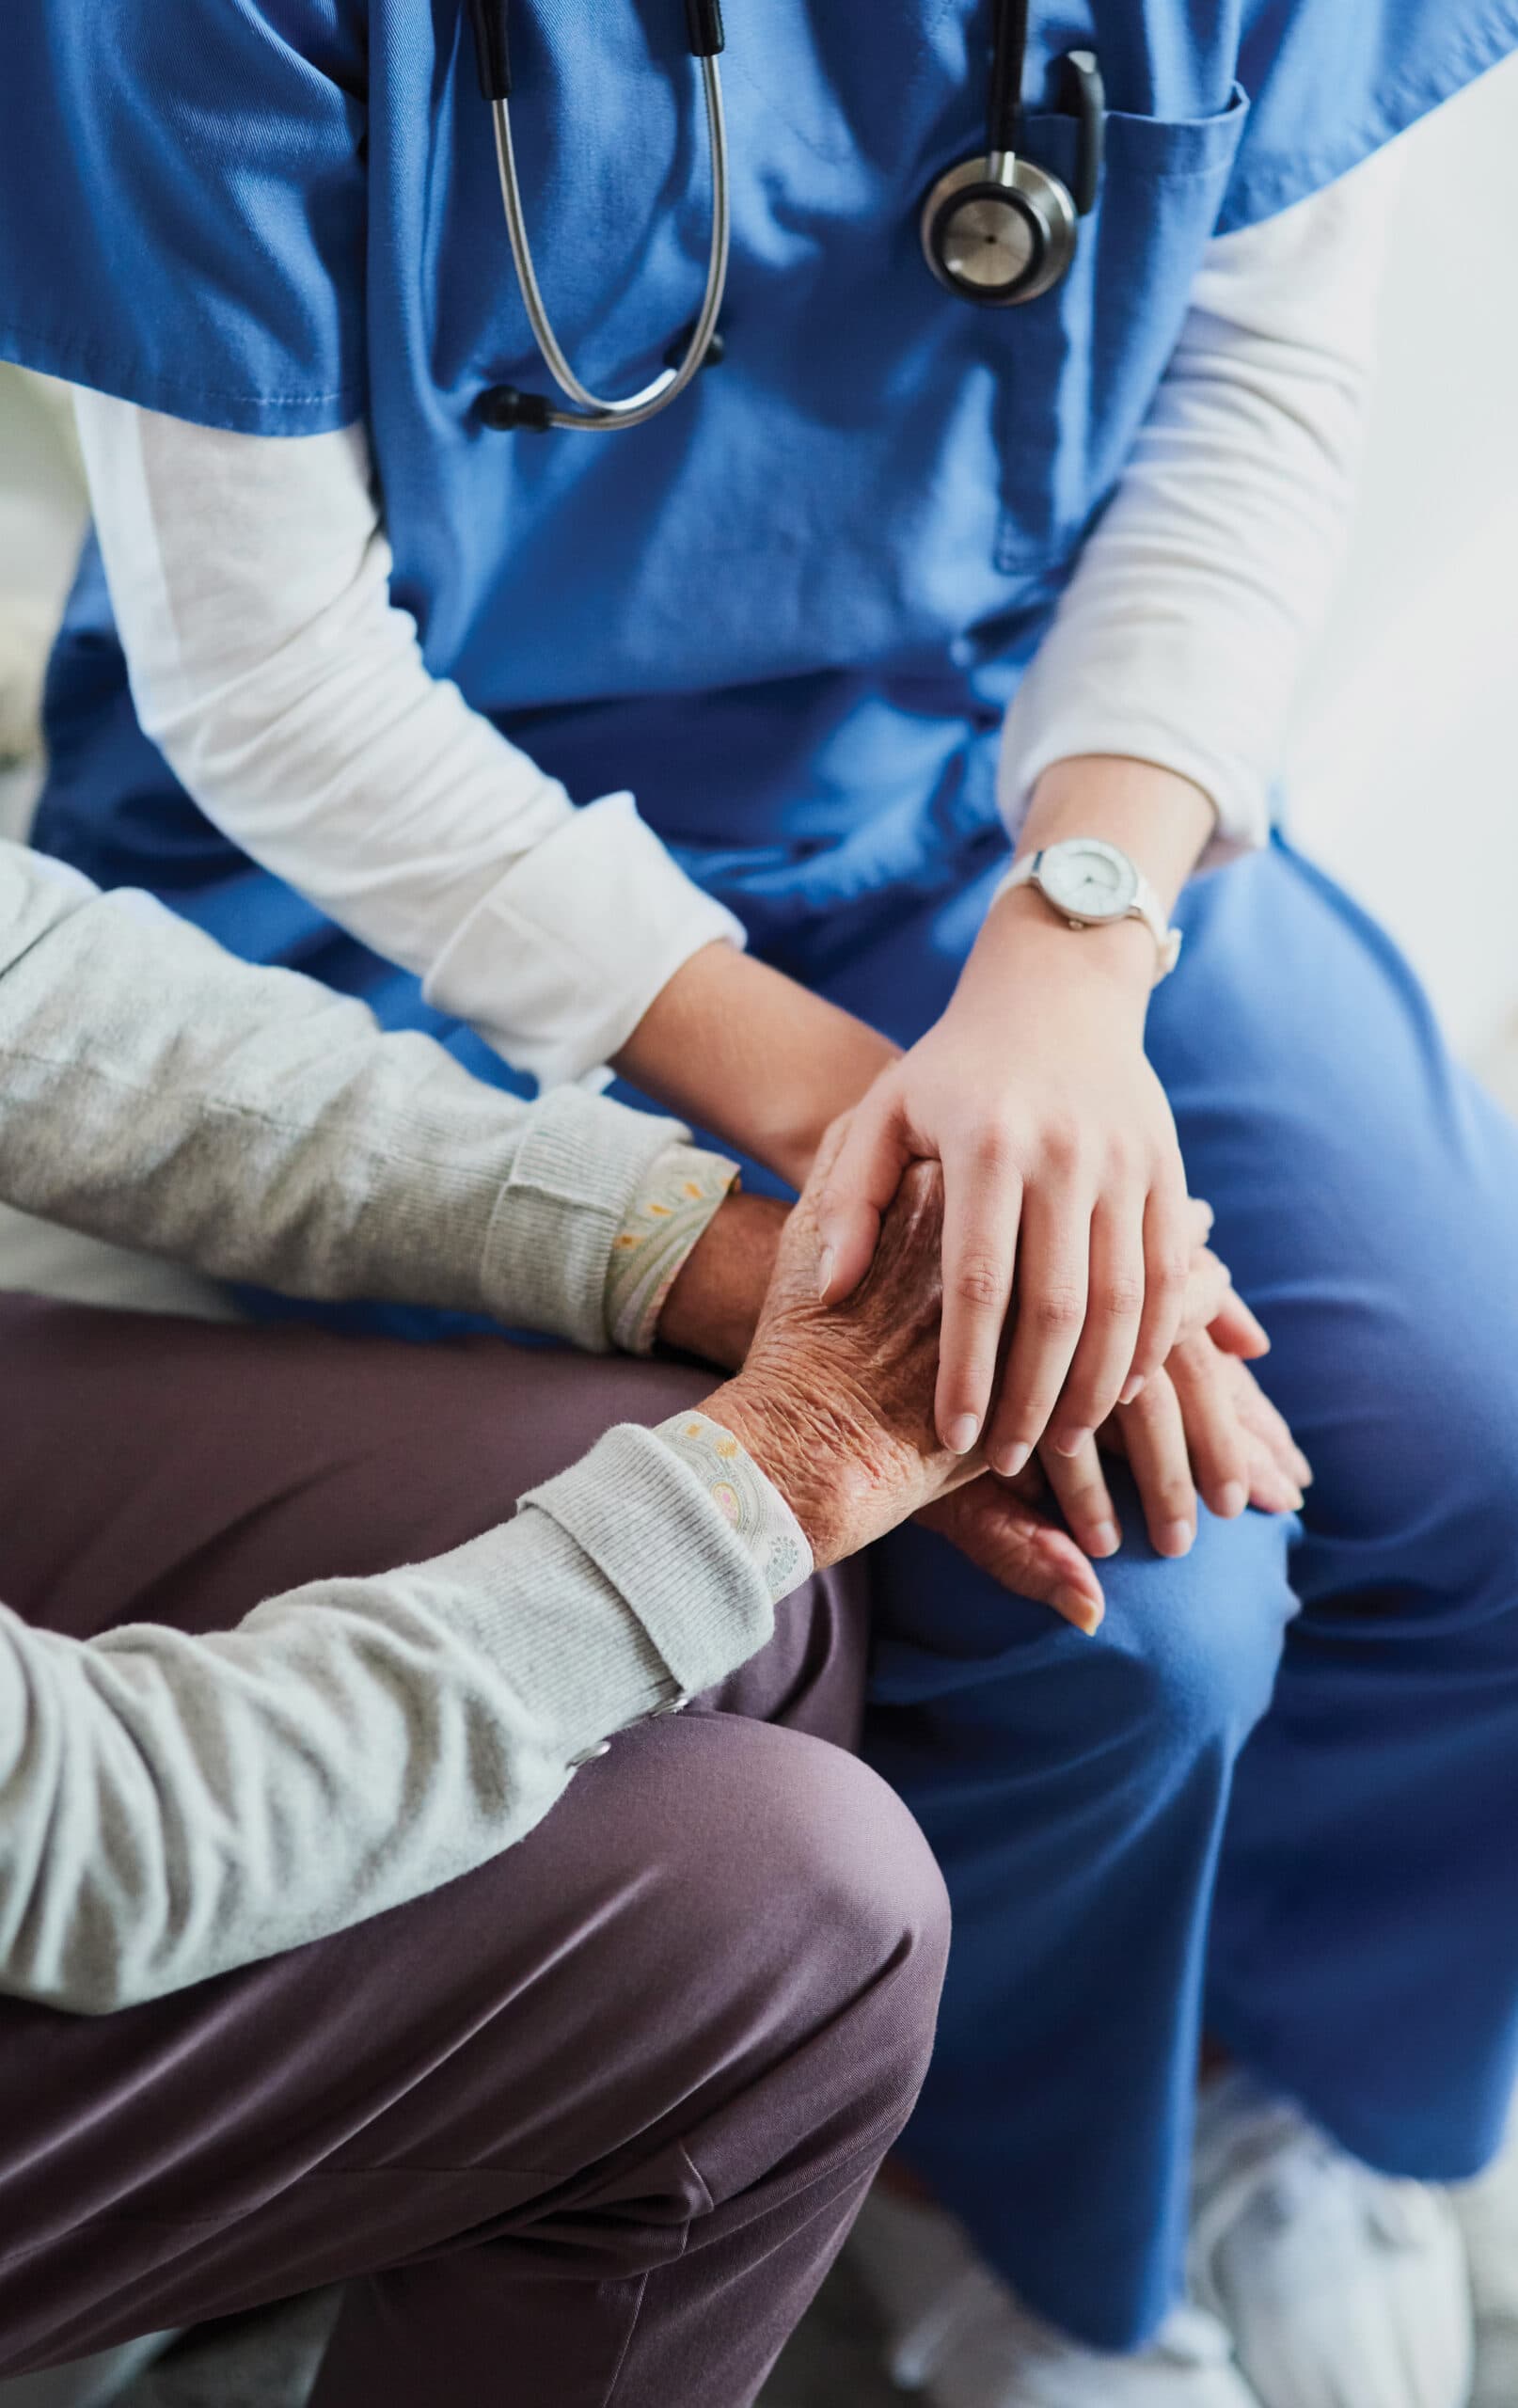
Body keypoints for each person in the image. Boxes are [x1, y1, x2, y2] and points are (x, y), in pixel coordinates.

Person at [4, 4, 1518, 2400]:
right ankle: (994, 2201)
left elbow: (1255, 379)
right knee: (1136, 1603)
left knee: (1481, 1416)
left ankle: (1310, 2095)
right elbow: (269, 673)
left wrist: (1077, 951)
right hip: (402, 865)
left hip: (1003, 773)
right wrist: (845, 1117)